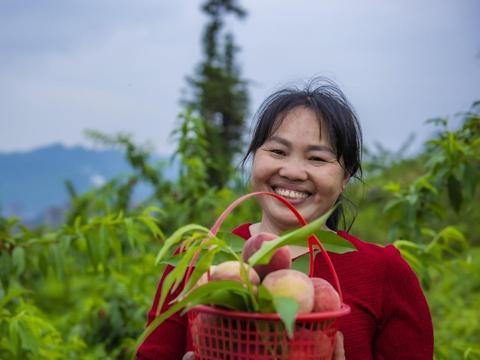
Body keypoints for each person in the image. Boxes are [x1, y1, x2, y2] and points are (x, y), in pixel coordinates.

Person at [137, 78, 434, 359]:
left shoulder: (385, 273)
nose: (292, 172)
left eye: (317, 158)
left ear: (345, 177)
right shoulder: (201, 261)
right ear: (254, 157)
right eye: (278, 151)